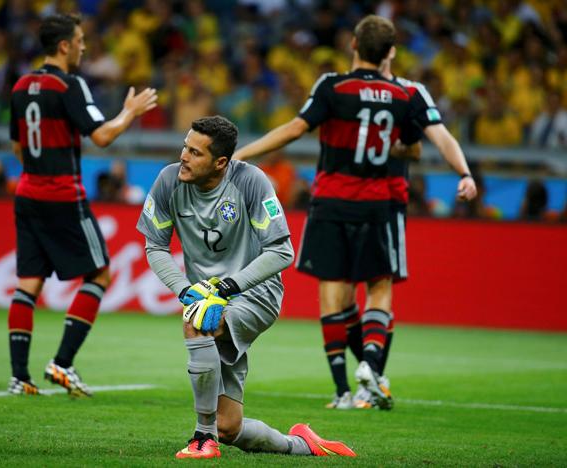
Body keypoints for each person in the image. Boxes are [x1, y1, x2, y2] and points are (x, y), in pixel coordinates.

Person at [137, 115, 355, 459]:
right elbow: (155, 246)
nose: (183, 156)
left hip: (256, 293)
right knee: (229, 426)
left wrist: (226, 288)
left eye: (195, 152)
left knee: (198, 320)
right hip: (209, 296)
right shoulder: (168, 181)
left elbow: (282, 251)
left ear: (220, 162)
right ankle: (302, 444)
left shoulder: (251, 181)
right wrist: (183, 289)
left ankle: (201, 438)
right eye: (185, 147)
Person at [233, 15, 422, 411]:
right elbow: (416, 147)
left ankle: (342, 391)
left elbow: (295, 128)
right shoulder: (405, 94)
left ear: (353, 43)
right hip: (377, 202)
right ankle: (372, 371)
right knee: (378, 289)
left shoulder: (333, 86)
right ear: (390, 52)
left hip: (332, 200)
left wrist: (242, 154)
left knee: (333, 294)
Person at [7, 13, 157, 396]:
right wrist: (130, 113)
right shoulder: (70, 85)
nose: (84, 46)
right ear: (64, 46)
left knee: (28, 283)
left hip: (27, 194)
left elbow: (17, 146)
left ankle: (18, 377)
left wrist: (38, 173)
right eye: (79, 40)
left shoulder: (21, 86)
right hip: (62, 196)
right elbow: (102, 136)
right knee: (99, 274)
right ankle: (62, 362)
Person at [362, 50, 478, 408]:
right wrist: (463, 172)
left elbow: (429, 141)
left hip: (360, 200)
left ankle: (369, 376)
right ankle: (371, 373)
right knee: (374, 290)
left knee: (365, 289)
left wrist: (464, 171)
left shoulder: (356, 90)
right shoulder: (390, 92)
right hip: (364, 201)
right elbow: (430, 141)